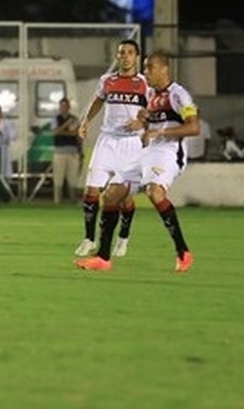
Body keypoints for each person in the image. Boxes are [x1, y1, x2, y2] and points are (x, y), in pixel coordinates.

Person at [80, 50, 198, 273]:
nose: (146, 72)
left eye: (150, 67)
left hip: (169, 151)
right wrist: (143, 121)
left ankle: (183, 252)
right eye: (145, 67)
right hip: (149, 151)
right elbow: (149, 117)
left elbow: (194, 127)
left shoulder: (179, 95)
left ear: (164, 69)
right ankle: (103, 258)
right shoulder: (152, 93)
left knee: (155, 192)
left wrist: (160, 132)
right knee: (111, 194)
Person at [72, 40, 149, 264]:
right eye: (121, 53)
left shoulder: (143, 83)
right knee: (91, 190)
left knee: (123, 198)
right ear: (117, 57)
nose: (125, 57)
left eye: (129, 53)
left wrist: (141, 123)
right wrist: (86, 121)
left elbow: (152, 110)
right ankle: (89, 239)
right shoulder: (107, 81)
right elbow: (98, 101)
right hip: (107, 141)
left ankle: (123, 236)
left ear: (136, 57)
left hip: (130, 145)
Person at [51, 97, 82, 204]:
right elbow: (55, 133)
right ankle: (57, 200)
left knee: (73, 176)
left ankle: (73, 199)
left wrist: (63, 131)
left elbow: (75, 133)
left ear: (69, 107)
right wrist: (66, 125)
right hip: (59, 152)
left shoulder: (75, 119)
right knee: (58, 176)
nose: (63, 108)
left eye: (65, 106)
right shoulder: (56, 119)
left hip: (73, 151)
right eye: (61, 106)